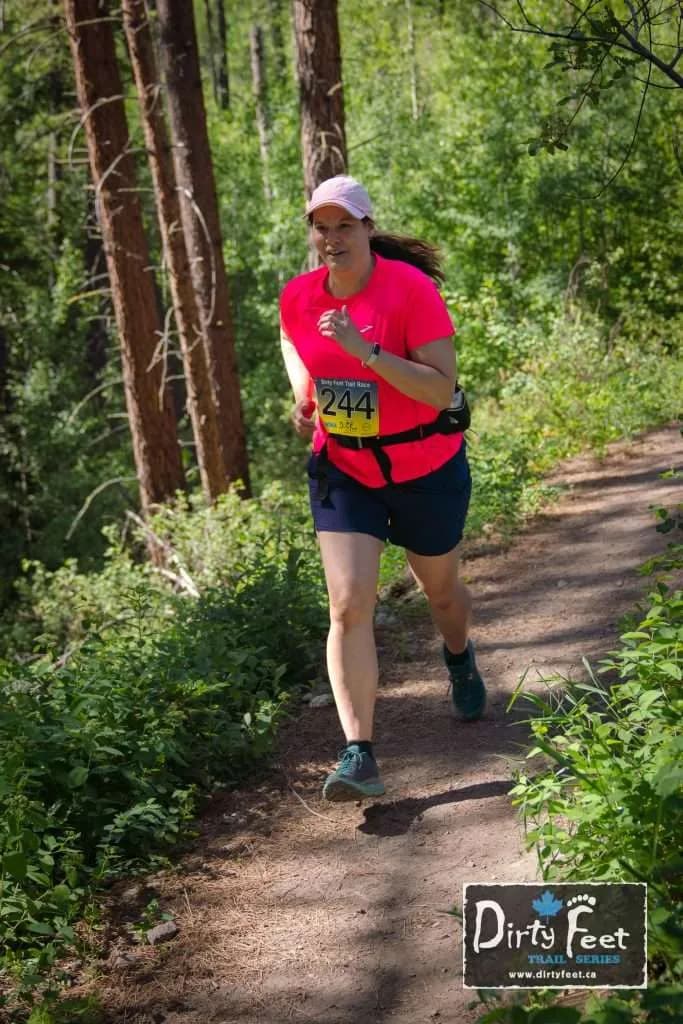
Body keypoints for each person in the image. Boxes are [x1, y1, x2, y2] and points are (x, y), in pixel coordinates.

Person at [279, 175, 486, 803]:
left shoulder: (409, 292)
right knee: (347, 604)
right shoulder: (300, 295)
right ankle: (359, 753)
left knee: (443, 595)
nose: (332, 238)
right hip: (344, 468)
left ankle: (459, 656)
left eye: (345, 226)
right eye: (322, 226)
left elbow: (440, 387)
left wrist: (364, 352)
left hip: (425, 467)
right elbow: (292, 338)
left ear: (368, 228)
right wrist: (303, 393)